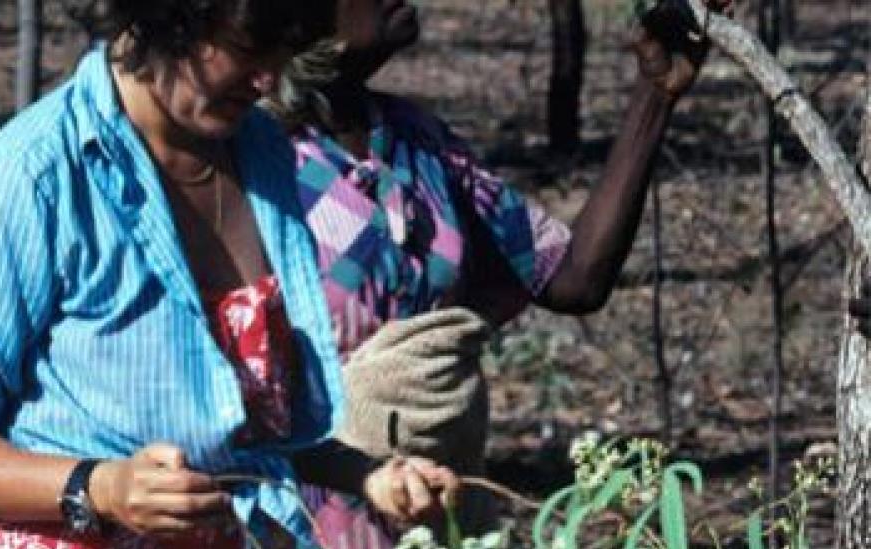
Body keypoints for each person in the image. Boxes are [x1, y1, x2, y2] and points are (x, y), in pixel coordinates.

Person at [0, 1, 461, 548]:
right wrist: (100, 488)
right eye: (246, 49)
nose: (267, 79)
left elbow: (237, 434)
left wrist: (366, 475)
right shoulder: (31, 178)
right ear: (166, 19)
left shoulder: (261, 153)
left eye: (282, 51)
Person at [260, 0, 734, 545]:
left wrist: (654, 95)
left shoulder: (415, 140)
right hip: (308, 515)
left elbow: (572, 276)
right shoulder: (257, 162)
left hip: (441, 504)